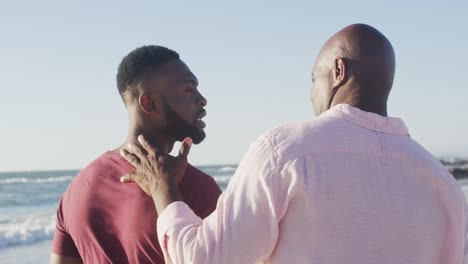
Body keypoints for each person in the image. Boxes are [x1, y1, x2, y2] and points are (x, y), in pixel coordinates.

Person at [121, 24, 468, 263]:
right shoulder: (443, 183)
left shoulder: (283, 152)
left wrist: (163, 188)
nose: (311, 92)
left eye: (313, 79)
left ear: (338, 71)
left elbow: (203, 259)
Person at [50, 46, 222, 264]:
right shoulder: (195, 189)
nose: (202, 99)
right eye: (189, 89)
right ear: (149, 103)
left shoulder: (77, 189)